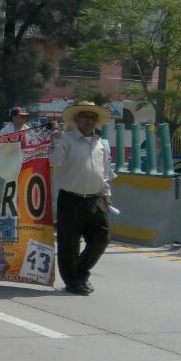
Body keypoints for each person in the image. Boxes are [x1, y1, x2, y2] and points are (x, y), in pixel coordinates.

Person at [49, 101, 115, 296]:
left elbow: (104, 172)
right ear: (76, 119)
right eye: (84, 117)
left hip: (95, 199)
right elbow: (55, 161)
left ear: (96, 121)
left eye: (92, 117)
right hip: (71, 198)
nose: (88, 120)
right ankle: (72, 280)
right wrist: (57, 140)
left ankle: (80, 271)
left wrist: (106, 194)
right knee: (69, 242)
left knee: (101, 238)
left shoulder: (100, 144)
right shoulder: (66, 139)